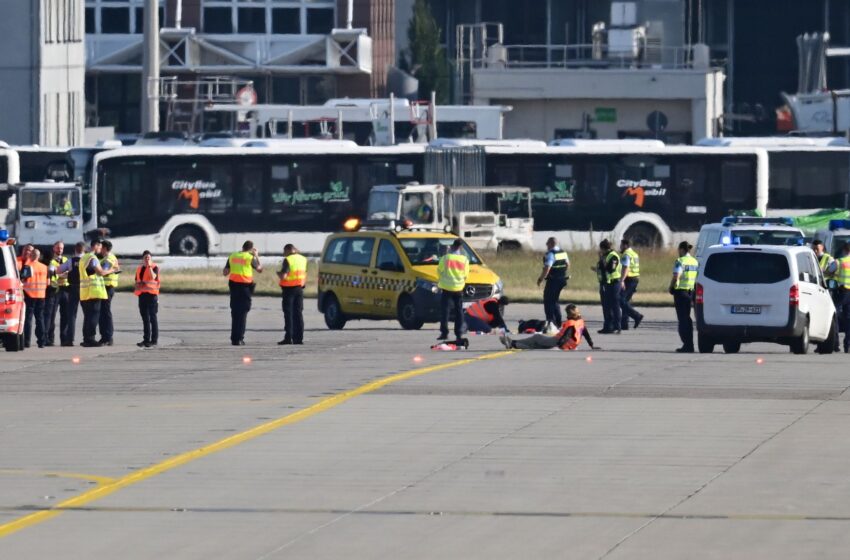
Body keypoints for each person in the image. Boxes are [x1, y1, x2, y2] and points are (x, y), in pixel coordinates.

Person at [500, 304, 598, 350]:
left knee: (536, 338)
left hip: (557, 342)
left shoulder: (572, 323)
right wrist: (591, 345)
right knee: (535, 345)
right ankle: (512, 343)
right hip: (568, 345)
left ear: (570, 314)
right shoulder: (580, 321)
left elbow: (566, 336)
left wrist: (558, 346)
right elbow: (585, 334)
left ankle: (512, 342)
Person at [223, 240, 263, 346]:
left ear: (243, 247)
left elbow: (225, 272)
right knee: (243, 313)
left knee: (235, 313)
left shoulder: (233, 256)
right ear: (251, 249)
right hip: (245, 287)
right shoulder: (250, 258)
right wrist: (257, 256)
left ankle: (234, 339)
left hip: (233, 287)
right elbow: (260, 269)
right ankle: (239, 338)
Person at [78, 240, 111, 347]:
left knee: (87, 317)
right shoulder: (93, 258)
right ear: (95, 246)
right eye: (100, 247)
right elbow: (100, 272)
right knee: (93, 317)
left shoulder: (83, 258)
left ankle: (86, 339)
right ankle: (90, 339)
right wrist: (112, 270)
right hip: (94, 291)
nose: (100, 249)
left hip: (85, 292)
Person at [437, 239, 470, 342]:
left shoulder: (446, 258)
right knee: (459, 311)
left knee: (445, 311)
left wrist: (443, 279)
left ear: (452, 246)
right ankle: (459, 334)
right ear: (460, 248)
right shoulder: (464, 260)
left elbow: (439, 271)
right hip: (458, 288)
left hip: (446, 288)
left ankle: (444, 333)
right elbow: (465, 275)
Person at [670, 241, 699, 353]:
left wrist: (671, 287)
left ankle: (687, 345)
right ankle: (689, 344)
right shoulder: (694, 261)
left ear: (682, 249)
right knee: (687, 318)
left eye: (679, 249)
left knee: (682, 320)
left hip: (680, 292)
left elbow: (676, 275)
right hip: (690, 292)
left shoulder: (680, 261)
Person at [276, 243, 307, 345]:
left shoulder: (288, 259)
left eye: (284, 251)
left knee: (288, 314)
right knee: (298, 314)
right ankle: (299, 338)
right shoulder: (303, 259)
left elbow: (283, 276)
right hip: (299, 289)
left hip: (289, 290)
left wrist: (278, 273)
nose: (284, 254)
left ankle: (288, 337)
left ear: (288, 250)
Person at [536, 237, 569, 332]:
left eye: (547, 244)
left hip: (553, 280)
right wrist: (561, 272)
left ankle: (551, 323)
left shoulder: (551, 254)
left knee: (548, 301)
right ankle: (558, 323)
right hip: (562, 279)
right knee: (555, 301)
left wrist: (540, 279)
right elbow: (567, 264)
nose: (546, 246)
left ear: (551, 244)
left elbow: (547, 268)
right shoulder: (563, 252)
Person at [57, 242, 85, 347]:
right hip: (85, 289)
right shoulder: (87, 260)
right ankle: (87, 338)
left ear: (75, 250)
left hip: (73, 288)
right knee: (88, 314)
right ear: (84, 250)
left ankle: (70, 339)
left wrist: (68, 273)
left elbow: (59, 270)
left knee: (71, 315)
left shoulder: (71, 261)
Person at [21, 248, 48, 348]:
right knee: (40, 319)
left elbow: (23, 279)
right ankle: (42, 342)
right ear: (39, 256)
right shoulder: (44, 267)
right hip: (41, 295)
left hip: (29, 294)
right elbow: (48, 282)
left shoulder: (28, 266)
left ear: (32, 255)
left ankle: (27, 342)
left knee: (28, 319)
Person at [44, 241, 68, 347]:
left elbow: (70, 273)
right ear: (54, 248)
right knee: (51, 316)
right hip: (54, 290)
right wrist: (62, 274)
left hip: (66, 290)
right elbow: (51, 274)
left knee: (65, 316)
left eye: (61, 248)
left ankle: (65, 339)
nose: (60, 250)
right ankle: (50, 338)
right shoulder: (50, 260)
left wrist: (61, 274)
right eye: (58, 248)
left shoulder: (67, 260)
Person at [134, 250, 160, 348]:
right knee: (145, 318)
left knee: (152, 318)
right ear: (142, 259)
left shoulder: (154, 267)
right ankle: (146, 339)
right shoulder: (139, 268)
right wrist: (139, 286)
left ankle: (154, 340)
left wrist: (149, 266)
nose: (147, 259)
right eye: (145, 258)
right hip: (142, 295)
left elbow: (153, 276)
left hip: (152, 295)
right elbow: (136, 281)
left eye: (149, 258)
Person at [97, 240, 121, 346]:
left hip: (108, 287)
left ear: (105, 248)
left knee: (105, 313)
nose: (100, 249)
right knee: (103, 312)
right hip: (105, 287)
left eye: (101, 247)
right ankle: (105, 337)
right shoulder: (108, 257)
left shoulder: (109, 259)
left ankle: (108, 337)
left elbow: (103, 271)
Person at [619, 238, 645, 330]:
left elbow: (626, 268)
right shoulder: (634, 254)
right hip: (635, 279)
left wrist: (622, 280)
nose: (620, 247)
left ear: (625, 245)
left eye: (621, 245)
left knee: (621, 300)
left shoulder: (627, 254)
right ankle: (624, 324)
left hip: (629, 279)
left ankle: (637, 316)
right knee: (625, 301)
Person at [598, 239, 622, 334]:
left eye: (601, 249)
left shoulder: (613, 256)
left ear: (604, 248)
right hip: (606, 283)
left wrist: (602, 260)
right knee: (606, 306)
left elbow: (610, 269)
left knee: (615, 305)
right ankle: (608, 326)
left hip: (614, 283)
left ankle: (617, 326)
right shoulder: (605, 256)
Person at [835, 242, 850, 353]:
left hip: (842, 292)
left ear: (844, 250)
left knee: (834, 315)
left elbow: (829, 271)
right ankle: (848, 345)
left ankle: (835, 343)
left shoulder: (840, 261)